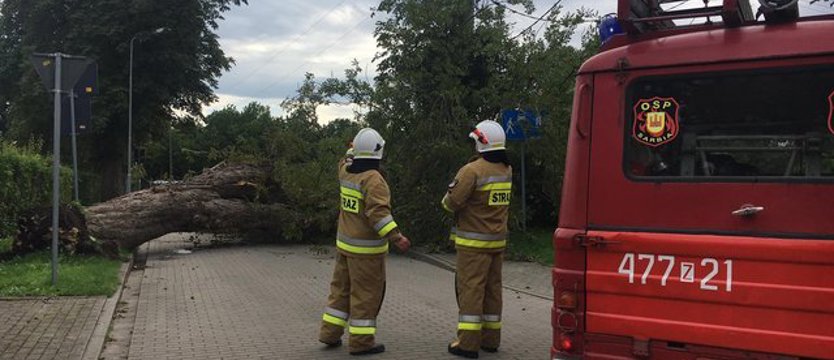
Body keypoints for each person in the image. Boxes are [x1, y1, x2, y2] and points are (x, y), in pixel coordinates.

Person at [319, 128, 411, 356]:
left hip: (345, 247)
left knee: (340, 291)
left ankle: (329, 334)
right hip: (366, 253)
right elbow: (378, 215)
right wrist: (396, 237)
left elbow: (344, 159)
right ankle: (361, 343)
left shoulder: (346, 173)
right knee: (365, 297)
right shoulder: (374, 180)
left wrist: (352, 149)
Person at [442, 120, 512, 359]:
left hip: (473, 246)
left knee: (471, 291)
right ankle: (491, 340)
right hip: (497, 242)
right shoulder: (506, 169)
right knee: (493, 291)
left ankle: (468, 344)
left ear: (482, 142)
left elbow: (452, 202)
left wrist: (447, 200)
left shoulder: (472, 170)